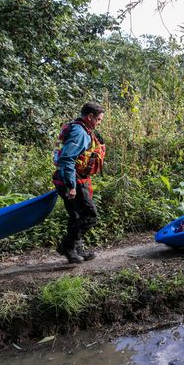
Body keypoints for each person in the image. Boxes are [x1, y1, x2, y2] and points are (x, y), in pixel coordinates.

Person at [52, 102, 106, 263]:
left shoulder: (79, 128)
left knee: (76, 216)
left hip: (68, 178)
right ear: (90, 117)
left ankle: (77, 249)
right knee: (90, 216)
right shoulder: (79, 133)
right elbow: (67, 159)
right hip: (72, 180)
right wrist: (71, 186)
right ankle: (67, 246)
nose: (99, 123)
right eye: (98, 120)